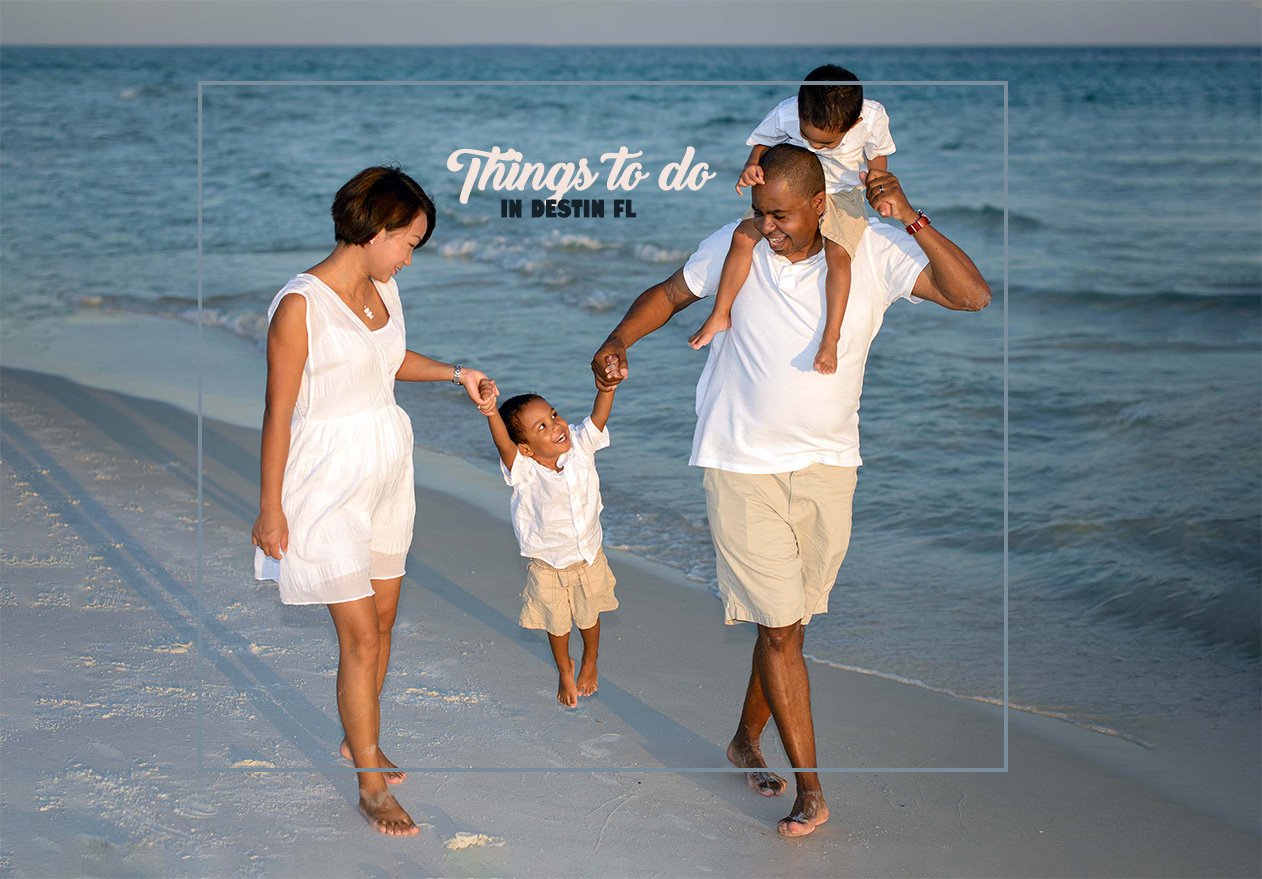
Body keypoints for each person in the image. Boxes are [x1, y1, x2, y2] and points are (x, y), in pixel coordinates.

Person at [592, 144, 989, 838]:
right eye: (757, 213)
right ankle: (811, 791)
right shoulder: (735, 244)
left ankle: (745, 739)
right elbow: (667, 294)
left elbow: (971, 295)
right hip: (740, 461)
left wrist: (913, 218)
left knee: (791, 623)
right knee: (779, 626)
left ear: (816, 204)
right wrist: (618, 337)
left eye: (779, 215)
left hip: (830, 465)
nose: (765, 226)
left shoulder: (873, 247)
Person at [251, 166, 496, 836]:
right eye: (408, 241)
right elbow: (277, 414)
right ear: (377, 229)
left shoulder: (383, 287)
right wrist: (270, 507)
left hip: (387, 462)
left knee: (383, 620)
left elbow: (382, 362)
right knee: (358, 634)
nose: (411, 257)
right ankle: (368, 782)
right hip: (324, 478)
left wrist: (455, 372)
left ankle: (361, 735)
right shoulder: (300, 306)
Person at [688, 64, 897, 375]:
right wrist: (752, 165)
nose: (814, 146)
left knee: (839, 255)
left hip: (842, 192)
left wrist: (876, 185)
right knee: (742, 236)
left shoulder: (873, 117)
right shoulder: (787, 113)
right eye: (807, 136)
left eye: (826, 144)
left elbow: (877, 157)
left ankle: (830, 337)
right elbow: (762, 142)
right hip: (793, 189)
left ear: (855, 123)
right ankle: (720, 312)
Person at [475, 378, 619, 708]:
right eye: (542, 426)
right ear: (526, 448)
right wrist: (490, 411)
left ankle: (590, 661)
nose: (556, 425)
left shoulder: (581, 447)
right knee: (556, 622)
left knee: (589, 615)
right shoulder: (523, 470)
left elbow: (598, 417)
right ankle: (564, 667)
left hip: (587, 554)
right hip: (547, 563)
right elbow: (503, 444)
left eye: (554, 415)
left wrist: (607, 388)